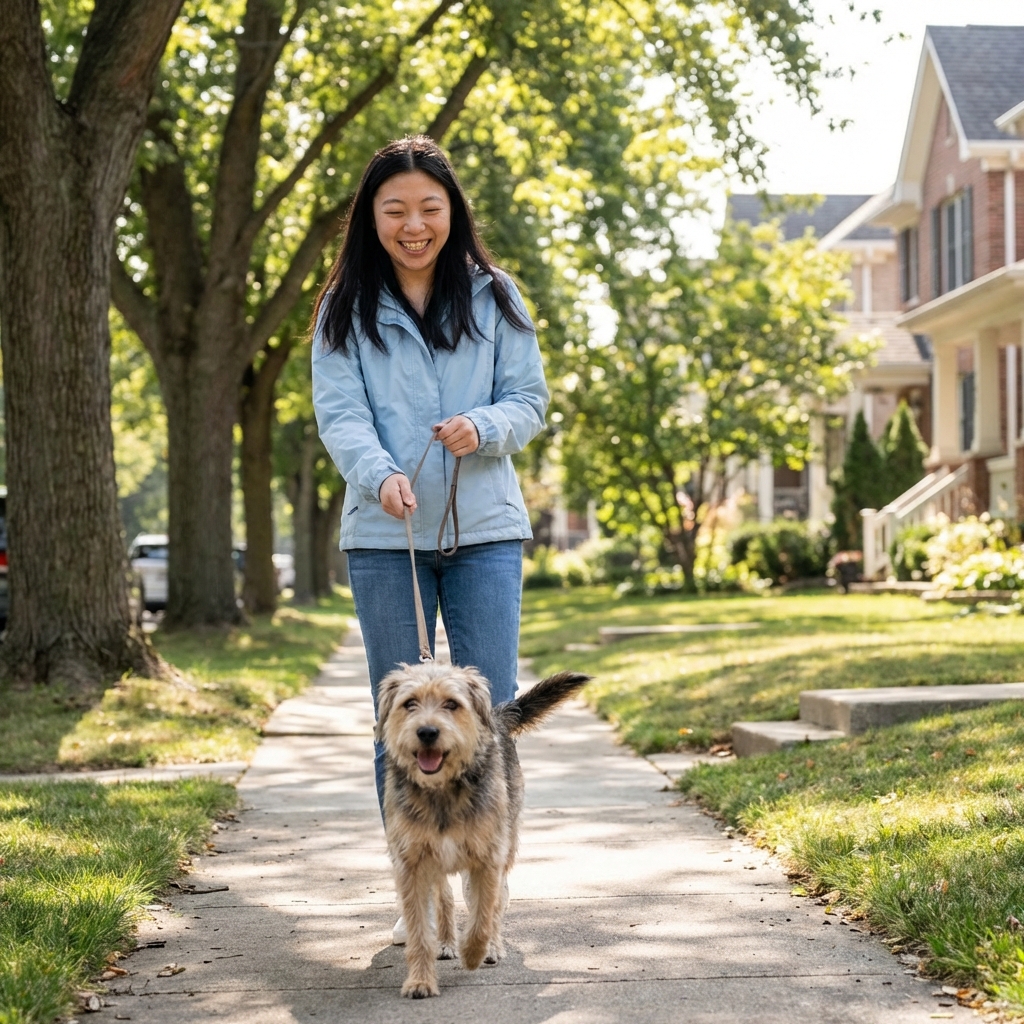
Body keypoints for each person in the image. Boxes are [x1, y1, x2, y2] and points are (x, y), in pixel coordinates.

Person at [310, 136, 548, 941]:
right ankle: (418, 892)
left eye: (429, 209)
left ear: (453, 213)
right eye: (395, 210)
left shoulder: (495, 297)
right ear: (370, 219)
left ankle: (488, 883)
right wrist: (380, 473)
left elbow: (528, 399)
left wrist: (481, 426)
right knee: (403, 716)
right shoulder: (342, 307)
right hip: (386, 535)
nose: (414, 225)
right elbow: (340, 414)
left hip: (485, 532)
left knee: (492, 717)